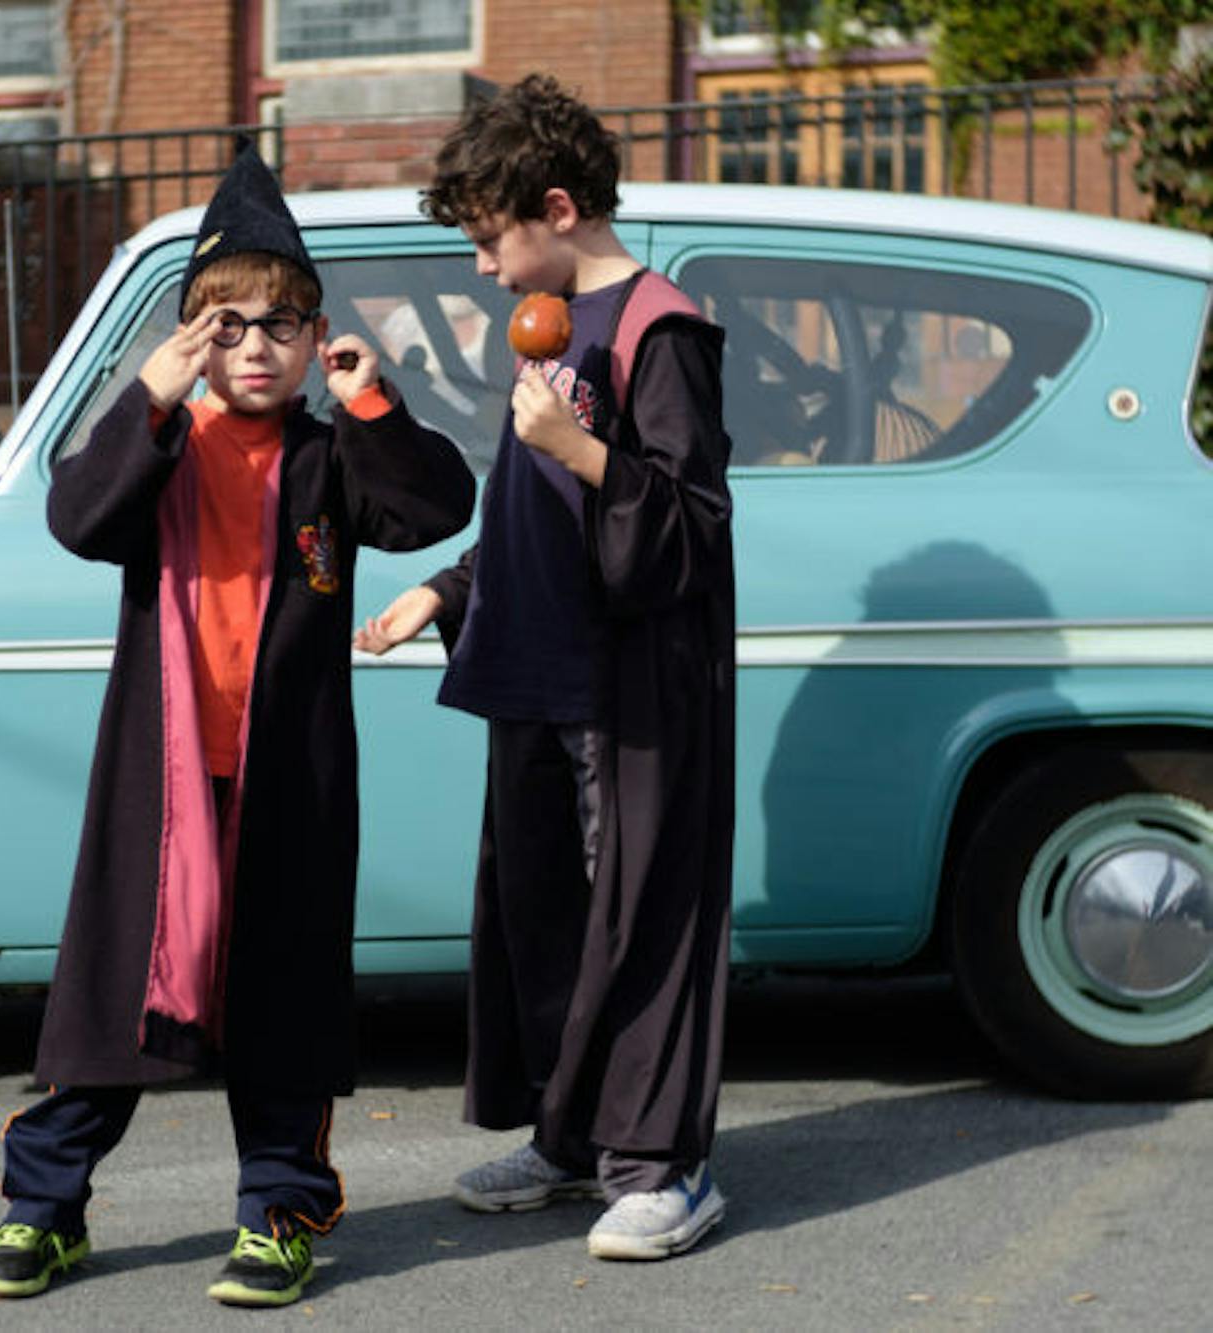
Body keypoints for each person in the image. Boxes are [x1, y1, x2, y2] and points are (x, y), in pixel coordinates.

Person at [0, 138, 475, 1307]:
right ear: (193, 338)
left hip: (290, 779)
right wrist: (148, 392)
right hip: (160, 783)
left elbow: (433, 506)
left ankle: (278, 1217)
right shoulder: (161, 448)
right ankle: (42, 1211)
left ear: (313, 335)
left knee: (284, 1005)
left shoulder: (330, 455)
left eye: (279, 325)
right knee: (113, 1003)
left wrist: (371, 398)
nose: (253, 347)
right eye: (225, 325)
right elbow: (77, 517)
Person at [356, 74, 737, 1262]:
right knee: (545, 921)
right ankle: (569, 1140)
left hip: (624, 688)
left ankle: (662, 1168)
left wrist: (575, 444)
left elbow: (690, 526)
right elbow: (532, 509)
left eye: (489, 239)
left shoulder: (657, 329)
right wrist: (444, 588)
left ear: (557, 208)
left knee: (641, 918)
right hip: (535, 672)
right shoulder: (547, 320)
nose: (481, 267)